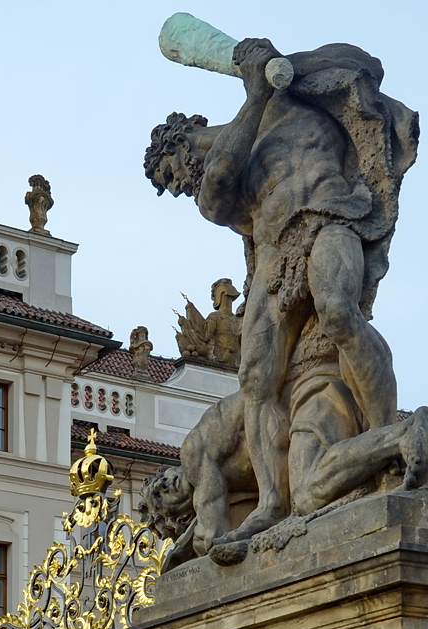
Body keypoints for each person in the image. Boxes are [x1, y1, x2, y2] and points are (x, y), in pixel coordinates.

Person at [145, 39, 418, 545]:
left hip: (332, 215)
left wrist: (284, 66)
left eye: (170, 173)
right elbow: (214, 192)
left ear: (182, 141)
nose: (178, 184)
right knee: (255, 378)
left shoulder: (301, 93)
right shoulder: (238, 152)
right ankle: (273, 501)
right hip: (276, 252)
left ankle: (388, 440)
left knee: (338, 311)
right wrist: (255, 95)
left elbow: (366, 65)